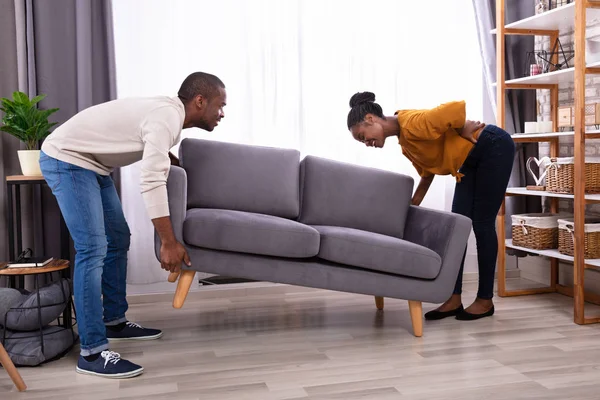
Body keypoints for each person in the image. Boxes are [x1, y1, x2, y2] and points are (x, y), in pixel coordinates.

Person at [39, 72, 227, 378]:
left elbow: (145, 140)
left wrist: (168, 159)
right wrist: (168, 242)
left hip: (93, 165)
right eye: (220, 105)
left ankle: (114, 320)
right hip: (68, 159)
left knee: (118, 237)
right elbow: (151, 180)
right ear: (200, 101)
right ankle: (91, 353)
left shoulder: (168, 116)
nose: (222, 113)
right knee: (93, 248)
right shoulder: (167, 116)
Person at [346, 91, 515, 321]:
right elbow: (426, 176)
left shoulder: (411, 123)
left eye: (362, 136)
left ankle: (485, 300)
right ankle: (454, 298)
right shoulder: (405, 141)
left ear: (370, 119)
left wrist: (462, 127)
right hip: (468, 161)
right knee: (459, 228)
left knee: (482, 223)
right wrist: (410, 208)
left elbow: (454, 108)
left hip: (491, 146)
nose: (366, 143)